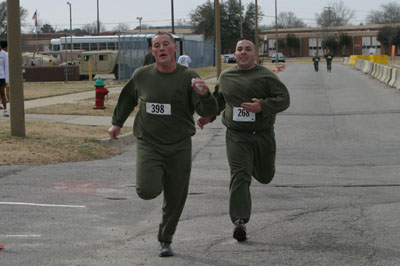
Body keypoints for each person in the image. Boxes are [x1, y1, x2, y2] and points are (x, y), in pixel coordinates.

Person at [108, 32, 218, 257]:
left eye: (165, 44)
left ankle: (165, 239)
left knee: (176, 196)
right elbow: (128, 98)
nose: (161, 49)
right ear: (152, 51)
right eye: (156, 45)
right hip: (150, 143)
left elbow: (208, 111)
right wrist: (116, 123)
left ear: (174, 49)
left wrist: (205, 94)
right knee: (147, 190)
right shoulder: (142, 76)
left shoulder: (188, 76)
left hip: (179, 145)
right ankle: (154, 182)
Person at [197, 39, 290, 242]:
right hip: (236, 135)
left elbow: (284, 99)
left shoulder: (266, 76)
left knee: (265, 176)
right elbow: (219, 102)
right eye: (239, 49)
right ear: (234, 54)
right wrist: (208, 117)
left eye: (248, 49)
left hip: (263, 135)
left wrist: (263, 106)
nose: (243, 52)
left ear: (255, 54)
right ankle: (239, 221)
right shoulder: (226, 77)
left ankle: (257, 167)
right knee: (240, 175)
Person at [0, 40, 9, 117]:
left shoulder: (4, 54)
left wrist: (7, 79)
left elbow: (6, 67)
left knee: (2, 93)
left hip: (2, 77)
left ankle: (5, 110)